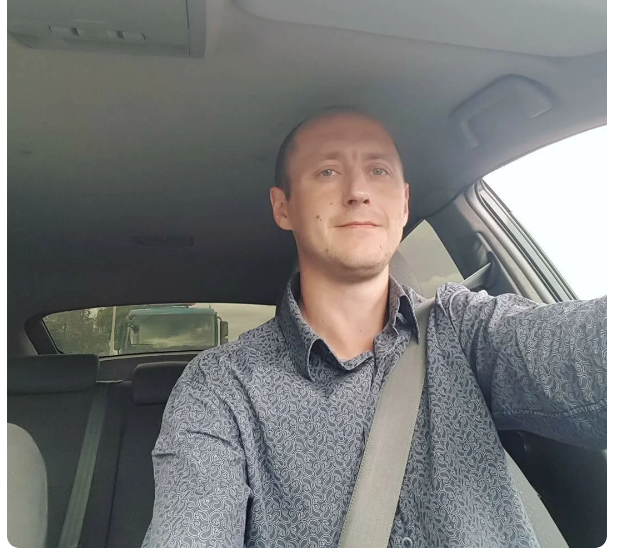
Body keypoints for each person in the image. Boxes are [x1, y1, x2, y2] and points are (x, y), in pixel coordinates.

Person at [142, 108, 607, 548]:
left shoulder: (467, 330)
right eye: (328, 171)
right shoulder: (220, 389)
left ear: (403, 204)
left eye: (378, 170)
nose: (358, 191)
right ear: (282, 207)